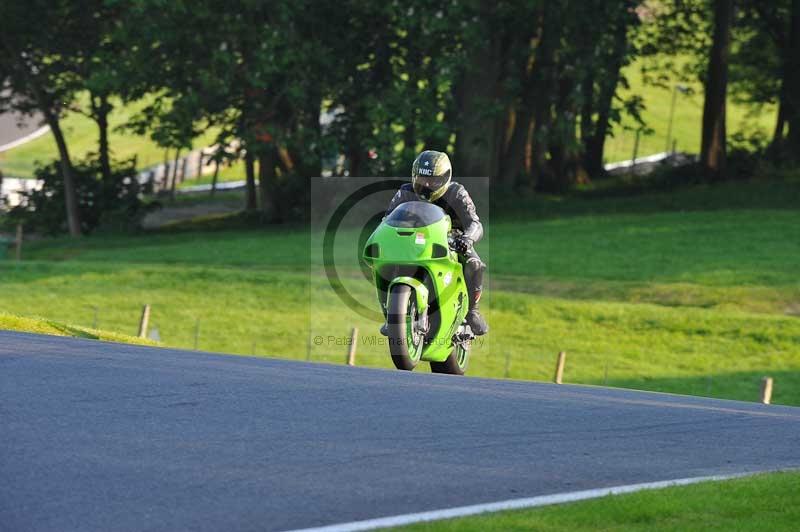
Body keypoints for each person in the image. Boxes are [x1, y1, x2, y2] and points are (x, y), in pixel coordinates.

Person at [382, 150, 488, 336]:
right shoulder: (405, 192)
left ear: (445, 178)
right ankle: (392, 314)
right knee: (386, 261)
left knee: (475, 265)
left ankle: (473, 311)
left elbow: (475, 223)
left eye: (433, 181)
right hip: (413, 240)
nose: (427, 185)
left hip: (452, 241)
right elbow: (387, 219)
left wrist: (467, 238)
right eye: (422, 180)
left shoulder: (457, 192)